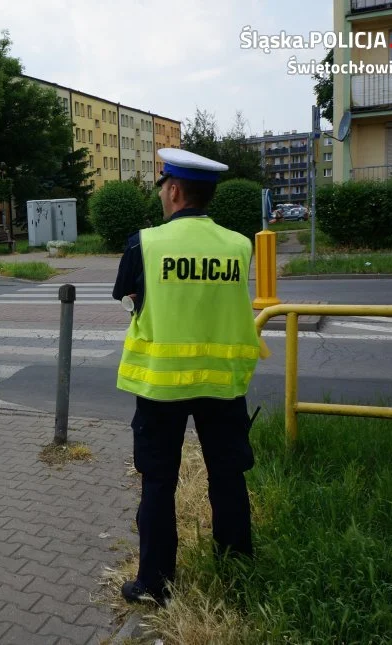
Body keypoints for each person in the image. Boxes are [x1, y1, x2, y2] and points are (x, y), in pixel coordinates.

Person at [113, 148, 268, 606]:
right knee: (228, 476)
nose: (162, 194)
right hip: (222, 384)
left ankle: (155, 584)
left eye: (163, 186)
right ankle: (237, 569)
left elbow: (126, 294)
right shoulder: (238, 245)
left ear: (176, 191)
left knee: (158, 482)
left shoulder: (145, 243)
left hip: (162, 385)